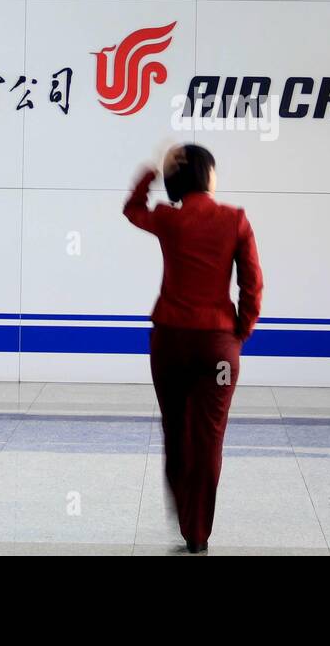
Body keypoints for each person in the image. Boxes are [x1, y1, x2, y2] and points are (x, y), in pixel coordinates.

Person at [123, 144, 263, 554]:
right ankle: (197, 531)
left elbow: (133, 210)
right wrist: (240, 331)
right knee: (209, 435)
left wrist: (150, 173)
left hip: (170, 343)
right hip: (218, 350)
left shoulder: (169, 219)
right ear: (209, 176)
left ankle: (184, 509)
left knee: (175, 429)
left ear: (178, 180)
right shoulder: (235, 220)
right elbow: (252, 283)